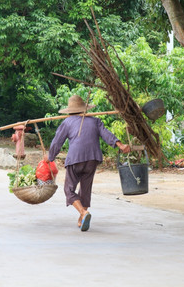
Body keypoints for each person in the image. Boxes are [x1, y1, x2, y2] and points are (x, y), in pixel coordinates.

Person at [45, 95, 130, 232]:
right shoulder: (95, 121)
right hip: (92, 158)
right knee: (85, 188)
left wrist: (50, 156)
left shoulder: (67, 122)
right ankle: (83, 215)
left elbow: (57, 141)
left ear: (70, 110)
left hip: (75, 158)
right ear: (84, 109)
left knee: (69, 189)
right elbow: (106, 134)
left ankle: (83, 213)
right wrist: (120, 145)